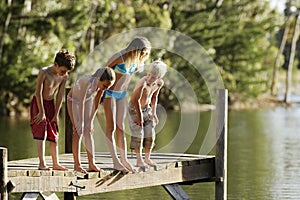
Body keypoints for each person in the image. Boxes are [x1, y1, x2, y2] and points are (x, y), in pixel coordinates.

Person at [103, 37, 151, 172]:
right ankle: (115, 161)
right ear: (134, 49)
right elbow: (103, 72)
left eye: (145, 54)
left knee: (121, 128)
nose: (143, 56)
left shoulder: (135, 61)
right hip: (110, 94)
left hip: (122, 95)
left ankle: (124, 160)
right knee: (111, 127)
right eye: (142, 53)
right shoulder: (118, 57)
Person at [30, 49, 76, 170]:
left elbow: (60, 94)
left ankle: (56, 163)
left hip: (51, 104)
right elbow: (38, 92)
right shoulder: (44, 73)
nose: (64, 73)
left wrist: (56, 113)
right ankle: (42, 163)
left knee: (53, 133)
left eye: (66, 72)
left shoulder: (64, 76)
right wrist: (41, 111)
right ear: (56, 64)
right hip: (39, 103)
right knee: (41, 132)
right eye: (62, 71)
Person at [67, 67, 115, 174]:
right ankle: (77, 165)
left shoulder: (100, 87)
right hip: (74, 100)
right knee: (78, 130)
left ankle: (91, 163)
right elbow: (81, 101)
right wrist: (81, 122)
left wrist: (90, 120)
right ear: (98, 79)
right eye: (105, 86)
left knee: (88, 131)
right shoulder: (86, 82)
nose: (105, 89)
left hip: (87, 100)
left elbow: (97, 101)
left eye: (108, 87)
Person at [128, 60, 167, 168]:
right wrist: (139, 117)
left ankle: (147, 158)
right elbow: (136, 100)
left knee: (151, 133)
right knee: (139, 134)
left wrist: (153, 113)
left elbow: (154, 97)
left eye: (153, 77)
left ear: (159, 78)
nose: (149, 78)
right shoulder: (142, 83)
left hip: (147, 109)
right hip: (135, 109)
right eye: (148, 74)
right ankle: (139, 160)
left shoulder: (159, 83)